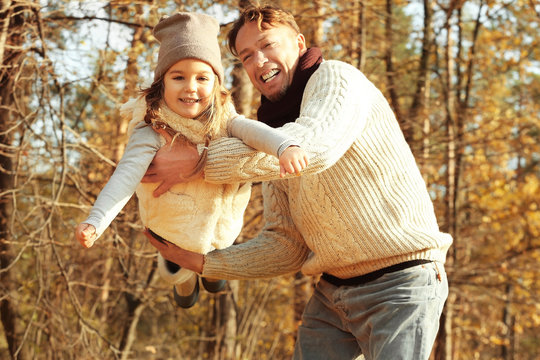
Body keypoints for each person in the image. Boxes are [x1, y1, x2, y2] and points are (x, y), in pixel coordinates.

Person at [143, 5, 452, 359]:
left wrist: (199, 162)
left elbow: (312, 148)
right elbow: (286, 245)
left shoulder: (338, 79)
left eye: (267, 45)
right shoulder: (270, 131)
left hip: (403, 283)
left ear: (300, 43)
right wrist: (204, 262)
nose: (259, 61)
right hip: (332, 294)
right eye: (247, 56)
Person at [75, 12, 308, 309]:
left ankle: (212, 271)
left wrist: (284, 147)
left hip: (222, 226)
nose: (191, 87)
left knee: (216, 266)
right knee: (178, 269)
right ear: (161, 84)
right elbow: (125, 177)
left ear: (216, 84)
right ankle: (183, 281)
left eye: (202, 78)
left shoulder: (225, 118)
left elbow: (255, 132)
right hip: (173, 230)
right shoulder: (152, 129)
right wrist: (95, 222)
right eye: (178, 77)